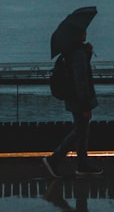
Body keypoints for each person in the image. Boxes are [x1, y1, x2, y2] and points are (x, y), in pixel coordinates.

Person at [43, 31, 102, 177]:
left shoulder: (73, 52)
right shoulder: (77, 54)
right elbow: (81, 80)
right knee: (80, 131)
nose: (85, 33)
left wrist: (87, 53)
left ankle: (82, 164)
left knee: (81, 130)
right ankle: (55, 159)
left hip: (73, 97)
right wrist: (86, 105)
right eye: (82, 32)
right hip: (79, 99)